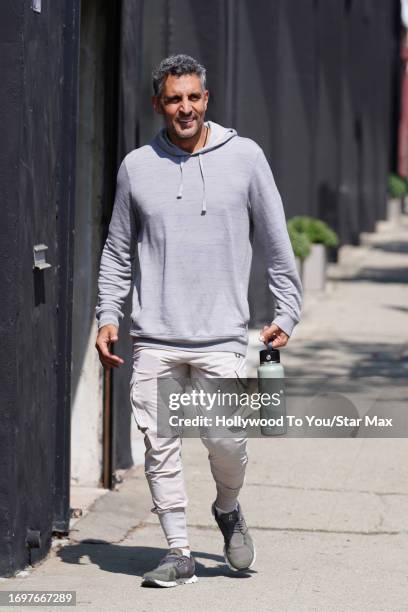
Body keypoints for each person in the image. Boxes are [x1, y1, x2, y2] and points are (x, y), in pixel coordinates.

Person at [95, 54, 302, 587]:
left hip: (221, 335)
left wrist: (287, 312)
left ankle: (228, 508)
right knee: (158, 446)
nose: (184, 107)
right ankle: (179, 550)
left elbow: (277, 244)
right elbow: (117, 250)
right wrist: (107, 314)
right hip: (156, 336)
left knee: (226, 440)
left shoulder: (246, 158)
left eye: (192, 97)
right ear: (158, 104)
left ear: (206, 99)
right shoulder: (137, 167)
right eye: (173, 99)